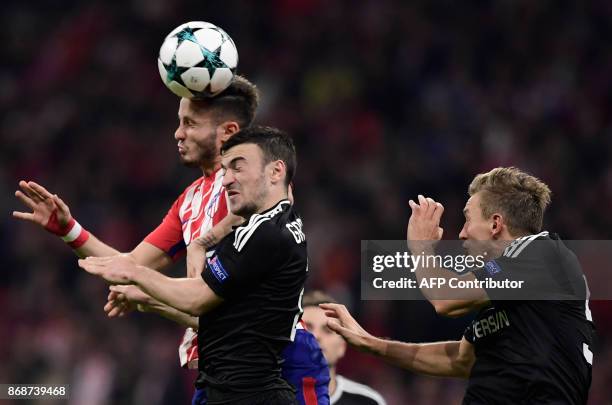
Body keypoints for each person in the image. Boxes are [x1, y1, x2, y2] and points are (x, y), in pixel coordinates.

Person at [13, 77, 329, 404]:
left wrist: (145, 290)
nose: (178, 133)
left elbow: (216, 303)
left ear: (228, 132)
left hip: (277, 358)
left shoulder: (245, 195)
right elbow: (130, 264)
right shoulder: (190, 199)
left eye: (190, 123)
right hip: (220, 363)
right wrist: (69, 229)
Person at [322, 167, 595, 404]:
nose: (462, 233)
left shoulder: (543, 254)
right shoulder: (507, 296)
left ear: (496, 224)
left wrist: (421, 246)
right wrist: (373, 344)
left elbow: (445, 299)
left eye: (467, 218)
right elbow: (461, 358)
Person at [79, 126, 308, 405]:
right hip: (239, 390)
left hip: (248, 393)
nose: (226, 180)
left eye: (238, 167)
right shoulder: (280, 224)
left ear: (276, 171)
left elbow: (197, 298)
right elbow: (218, 318)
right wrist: (148, 299)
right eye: (225, 170)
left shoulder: (263, 234)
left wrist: (135, 273)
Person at [302, 291, 386, 405]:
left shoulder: (368, 402)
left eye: (328, 330)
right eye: (306, 328)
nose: (316, 336)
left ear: (342, 346)